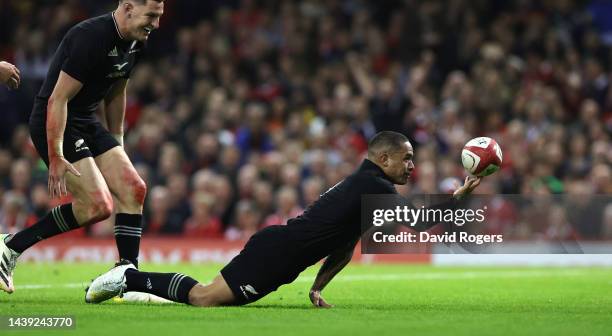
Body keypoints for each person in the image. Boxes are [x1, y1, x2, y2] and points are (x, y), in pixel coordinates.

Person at [85, 131, 481, 307]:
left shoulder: (369, 188)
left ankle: (137, 286)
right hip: (275, 255)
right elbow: (415, 222)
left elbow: (345, 245)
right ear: (384, 158)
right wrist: (457, 198)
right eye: (407, 158)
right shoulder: (372, 186)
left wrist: (317, 287)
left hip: (281, 256)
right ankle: (128, 276)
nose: (412, 165)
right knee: (203, 299)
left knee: (206, 296)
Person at [0, 0, 165, 294]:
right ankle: (11, 246)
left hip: (87, 120)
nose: (156, 24)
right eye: (151, 16)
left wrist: (118, 143)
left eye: (159, 16)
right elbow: (57, 100)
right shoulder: (90, 37)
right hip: (55, 121)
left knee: (133, 188)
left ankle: (128, 278)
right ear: (128, 8)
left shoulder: (136, 41)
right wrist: (56, 155)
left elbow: (117, 90)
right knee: (98, 207)